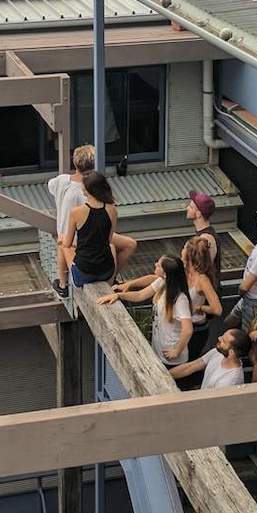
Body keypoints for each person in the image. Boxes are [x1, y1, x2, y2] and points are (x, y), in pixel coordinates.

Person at [49, 144, 137, 298]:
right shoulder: (97, 193)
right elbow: (108, 237)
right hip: (95, 239)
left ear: (75, 163)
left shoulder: (62, 182)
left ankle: (63, 284)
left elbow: (51, 185)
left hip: (74, 236)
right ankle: (111, 278)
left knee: (62, 242)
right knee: (127, 244)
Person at [98, 254, 193, 367]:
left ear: (166, 274)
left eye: (159, 265)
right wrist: (119, 295)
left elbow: (187, 329)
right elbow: (140, 295)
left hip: (171, 355)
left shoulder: (180, 299)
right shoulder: (162, 283)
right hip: (159, 347)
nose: (155, 265)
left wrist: (177, 350)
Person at [62, 171, 118, 287]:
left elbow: (67, 243)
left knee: (63, 246)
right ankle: (111, 282)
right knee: (111, 247)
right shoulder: (112, 210)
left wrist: (62, 239)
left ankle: (63, 284)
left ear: (88, 190)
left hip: (84, 273)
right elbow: (107, 240)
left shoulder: (76, 212)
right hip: (105, 271)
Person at [166, 328, 250, 391]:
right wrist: (166, 375)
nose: (219, 338)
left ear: (231, 352)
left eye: (224, 341)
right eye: (222, 336)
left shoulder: (230, 381)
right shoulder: (218, 353)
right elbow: (190, 367)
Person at [182, 236, 223, 360]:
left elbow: (217, 309)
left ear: (189, 254)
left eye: (184, 248)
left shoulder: (202, 280)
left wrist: (200, 307)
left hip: (196, 328)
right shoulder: (183, 271)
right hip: (182, 325)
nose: (181, 250)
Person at [185, 191, 221, 282]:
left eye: (191, 207)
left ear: (198, 214)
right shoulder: (204, 234)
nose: (187, 208)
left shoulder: (206, 238)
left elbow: (203, 269)